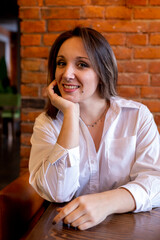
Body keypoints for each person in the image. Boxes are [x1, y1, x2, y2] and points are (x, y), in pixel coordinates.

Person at [29, 26, 160, 230]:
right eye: (61, 63)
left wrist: (106, 203)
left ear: (102, 70)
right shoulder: (47, 124)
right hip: (68, 230)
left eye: (82, 64)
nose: (67, 74)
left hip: (129, 230)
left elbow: (156, 182)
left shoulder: (137, 116)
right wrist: (71, 113)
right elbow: (57, 192)